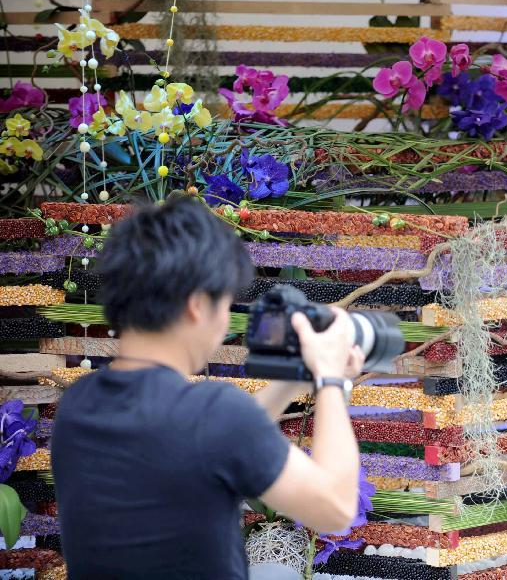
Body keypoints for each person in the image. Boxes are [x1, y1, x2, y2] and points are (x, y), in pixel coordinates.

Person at [51, 197, 362, 579]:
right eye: (225, 304)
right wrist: (331, 379)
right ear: (197, 304)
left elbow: (208, 441)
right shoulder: (213, 413)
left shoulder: (79, 405)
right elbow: (335, 508)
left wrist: (292, 382)